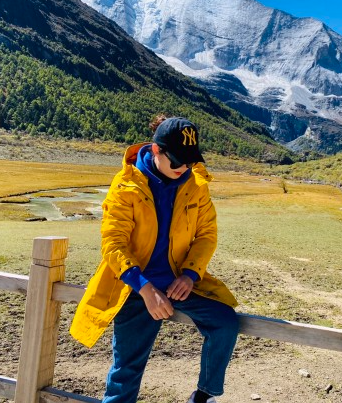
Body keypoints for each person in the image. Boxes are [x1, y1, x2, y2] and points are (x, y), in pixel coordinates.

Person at [70, 116, 239, 403]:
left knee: (225, 322)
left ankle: (204, 396)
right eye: (176, 161)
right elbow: (113, 244)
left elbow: (206, 235)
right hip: (136, 288)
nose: (183, 167)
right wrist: (146, 290)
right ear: (157, 151)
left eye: (189, 160)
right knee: (127, 371)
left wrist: (190, 275)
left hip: (180, 283)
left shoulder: (196, 184)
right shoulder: (126, 185)